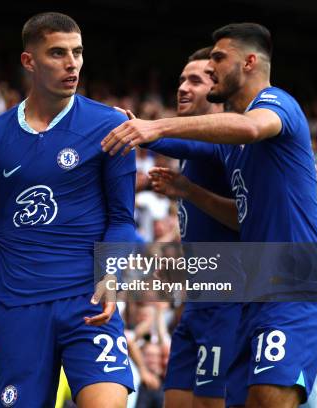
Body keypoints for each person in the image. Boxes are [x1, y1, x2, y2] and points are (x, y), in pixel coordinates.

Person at [102, 22, 317, 407]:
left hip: (294, 284)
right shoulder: (230, 152)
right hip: (254, 292)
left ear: (249, 62)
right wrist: (189, 191)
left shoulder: (278, 104)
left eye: (217, 58)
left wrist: (154, 124)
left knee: (265, 399)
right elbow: (241, 217)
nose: (211, 67)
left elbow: (247, 127)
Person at [0, 12, 136, 408]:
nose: (72, 63)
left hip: (87, 301)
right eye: (58, 53)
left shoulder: (109, 124)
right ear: (29, 61)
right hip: (18, 306)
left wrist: (112, 276)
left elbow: (122, 218)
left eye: (77, 52)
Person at [128, 47, 241, 408]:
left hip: (227, 302)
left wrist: (137, 128)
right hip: (196, 303)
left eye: (195, 80)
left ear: (218, 87)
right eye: (180, 80)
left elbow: (243, 218)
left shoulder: (227, 144)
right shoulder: (191, 156)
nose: (183, 88)